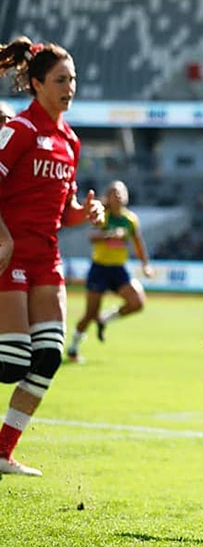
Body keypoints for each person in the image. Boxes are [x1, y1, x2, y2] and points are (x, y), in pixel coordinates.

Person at [0, 37, 105, 476]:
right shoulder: (20, 130)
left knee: (46, 359)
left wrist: (87, 214)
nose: (70, 87)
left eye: (74, 79)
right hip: (10, 256)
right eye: (61, 79)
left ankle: (2, 453)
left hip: (48, 258)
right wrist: (2, 236)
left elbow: (64, 213)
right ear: (38, 84)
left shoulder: (70, 142)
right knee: (10, 363)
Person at [66, 180, 153, 362]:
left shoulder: (130, 220)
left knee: (137, 302)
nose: (119, 195)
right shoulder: (103, 216)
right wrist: (110, 234)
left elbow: (138, 242)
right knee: (90, 313)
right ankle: (73, 347)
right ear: (108, 197)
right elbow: (92, 236)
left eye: (122, 192)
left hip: (119, 269)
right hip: (100, 268)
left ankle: (105, 319)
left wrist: (145, 264)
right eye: (115, 192)